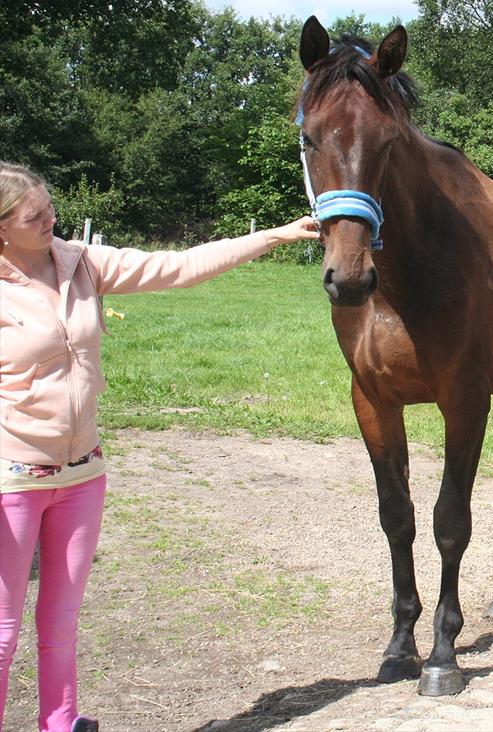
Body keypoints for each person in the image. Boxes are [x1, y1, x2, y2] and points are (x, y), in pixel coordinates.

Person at [0, 162, 319, 732]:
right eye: (35, 216)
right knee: (1, 631)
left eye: (50, 206)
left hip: (81, 473)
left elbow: (178, 267)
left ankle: (60, 722)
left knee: (61, 620)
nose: (51, 218)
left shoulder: (79, 263)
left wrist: (274, 235)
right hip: (12, 478)